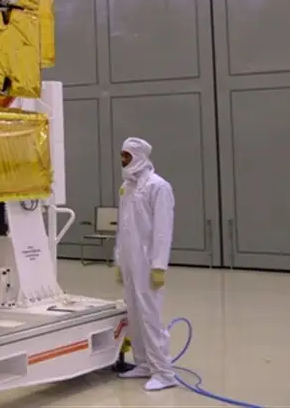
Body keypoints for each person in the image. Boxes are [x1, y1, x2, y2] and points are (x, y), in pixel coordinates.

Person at [114, 137, 177, 391]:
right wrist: (119, 259)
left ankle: (164, 372)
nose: (122, 160)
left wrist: (159, 265)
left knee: (150, 316)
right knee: (134, 314)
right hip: (130, 261)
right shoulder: (127, 187)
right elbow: (123, 226)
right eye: (122, 155)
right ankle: (142, 363)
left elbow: (163, 229)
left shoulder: (158, 186)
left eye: (126, 156)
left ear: (139, 156)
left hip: (148, 263)